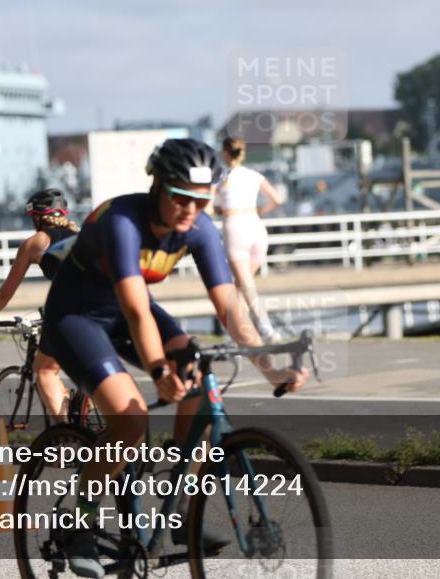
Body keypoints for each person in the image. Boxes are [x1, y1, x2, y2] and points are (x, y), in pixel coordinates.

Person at [42, 138, 308, 577]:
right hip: (77, 318)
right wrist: (159, 369)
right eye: (180, 197)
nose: (189, 209)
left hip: (132, 313)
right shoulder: (123, 221)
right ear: (158, 186)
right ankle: (80, 524)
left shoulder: (200, 229)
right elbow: (135, 309)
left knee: (202, 384)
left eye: (200, 200)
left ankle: (182, 513)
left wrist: (270, 367)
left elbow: (229, 309)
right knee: (129, 421)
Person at [0, 188, 80, 422]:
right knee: (87, 371)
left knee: (44, 371)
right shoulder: (81, 235)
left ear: (37, 217)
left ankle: (68, 439)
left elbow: (6, 292)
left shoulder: (36, 242)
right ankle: (88, 414)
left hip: (69, 307)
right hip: (103, 303)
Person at [214, 136, 285, 342]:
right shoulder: (255, 175)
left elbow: (209, 206)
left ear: (225, 153)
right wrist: (262, 209)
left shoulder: (222, 177)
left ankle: (265, 328)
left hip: (235, 227)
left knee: (245, 285)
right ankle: (238, 333)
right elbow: (278, 199)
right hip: (256, 226)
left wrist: (219, 209)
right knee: (242, 285)